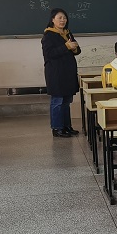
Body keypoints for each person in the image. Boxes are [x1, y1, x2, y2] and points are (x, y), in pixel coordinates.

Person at [40, 8, 81, 138]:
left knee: (66, 102)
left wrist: (74, 48)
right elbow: (49, 54)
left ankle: (66, 127)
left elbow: (77, 50)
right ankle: (57, 128)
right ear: (53, 20)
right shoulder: (48, 35)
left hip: (68, 73)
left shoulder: (67, 33)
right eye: (60, 18)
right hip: (56, 73)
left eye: (64, 18)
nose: (63, 20)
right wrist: (66, 47)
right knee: (57, 101)